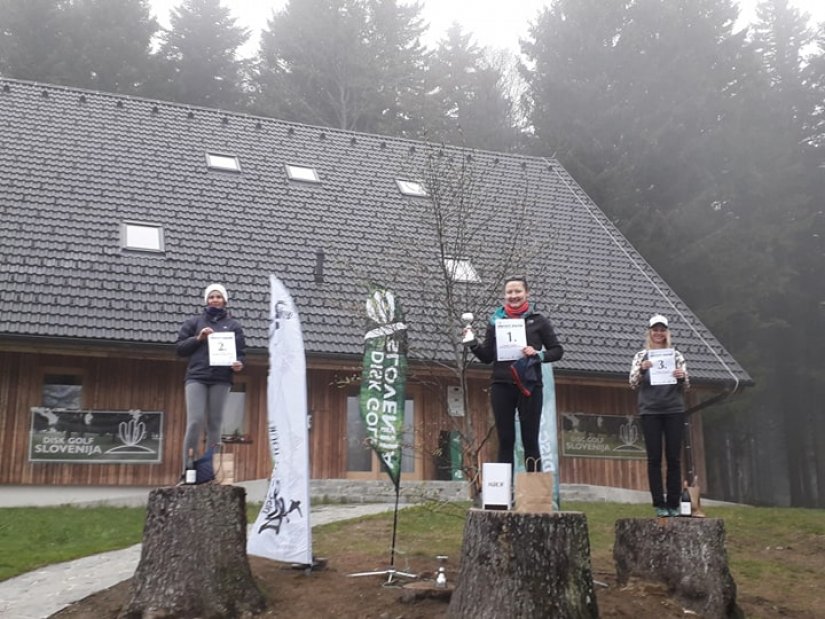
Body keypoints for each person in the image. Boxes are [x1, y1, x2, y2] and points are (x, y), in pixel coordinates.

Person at [466, 276, 563, 472]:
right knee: (505, 439)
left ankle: (533, 488)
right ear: (504, 295)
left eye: (518, 291)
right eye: (509, 292)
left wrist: (538, 354)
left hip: (530, 386)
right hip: (501, 385)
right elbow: (487, 357)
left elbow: (557, 351)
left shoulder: (539, 321)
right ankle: (504, 489)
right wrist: (472, 343)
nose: (513, 296)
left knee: (530, 439)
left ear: (527, 293)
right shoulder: (495, 322)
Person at [176, 283, 245, 478]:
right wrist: (198, 338)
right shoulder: (194, 323)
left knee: (215, 423)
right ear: (206, 300)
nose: (215, 300)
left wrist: (239, 364)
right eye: (212, 297)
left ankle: (213, 469)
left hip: (221, 379)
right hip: (196, 377)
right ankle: (188, 468)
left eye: (218, 297)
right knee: (195, 421)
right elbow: (180, 349)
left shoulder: (234, 326)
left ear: (225, 301)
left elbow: (240, 353)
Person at [629, 314, 690, 517]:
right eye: (655, 330)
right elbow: (632, 383)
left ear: (667, 333)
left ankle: (673, 503)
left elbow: (687, 385)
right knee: (654, 458)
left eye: (662, 330)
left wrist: (682, 376)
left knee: (674, 458)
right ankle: (659, 503)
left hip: (674, 409)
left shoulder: (676, 356)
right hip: (650, 411)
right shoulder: (641, 356)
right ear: (649, 332)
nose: (658, 333)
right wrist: (641, 369)